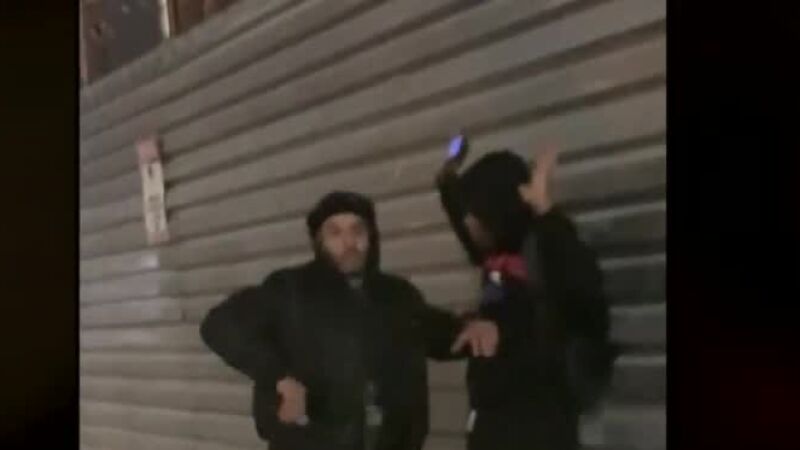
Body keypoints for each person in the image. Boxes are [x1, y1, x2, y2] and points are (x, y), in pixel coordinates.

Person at [200, 191, 498, 450]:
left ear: (371, 237)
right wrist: (279, 378)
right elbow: (220, 325)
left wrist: (472, 327)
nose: (349, 242)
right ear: (319, 241)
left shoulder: (397, 296)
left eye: (357, 231)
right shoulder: (289, 290)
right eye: (335, 233)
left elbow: (439, 334)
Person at [435, 146, 611, 450]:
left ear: (497, 211)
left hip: (537, 430)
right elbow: (468, 233)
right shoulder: (496, 255)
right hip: (493, 426)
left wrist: (545, 208)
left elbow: (582, 293)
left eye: (476, 213)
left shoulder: (546, 255)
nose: (469, 222)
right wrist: (447, 185)